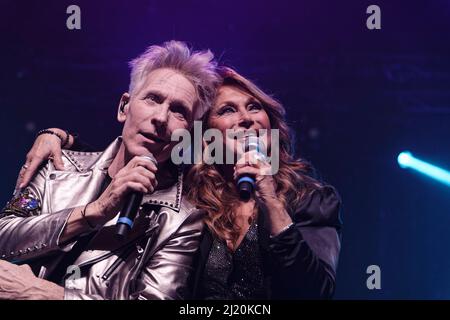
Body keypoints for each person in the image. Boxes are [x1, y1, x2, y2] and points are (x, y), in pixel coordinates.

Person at [15, 67, 342, 300]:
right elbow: (136, 149)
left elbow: (315, 290)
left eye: (254, 107)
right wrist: (58, 136)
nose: (245, 118)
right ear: (206, 134)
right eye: (228, 110)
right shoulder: (192, 194)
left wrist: (271, 201)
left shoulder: (312, 198)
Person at [0, 40, 220, 300]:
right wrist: (94, 211)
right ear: (124, 107)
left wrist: (40, 293)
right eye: (153, 99)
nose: (161, 118)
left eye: (179, 111)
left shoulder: (181, 219)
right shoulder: (57, 166)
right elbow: (4, 236)